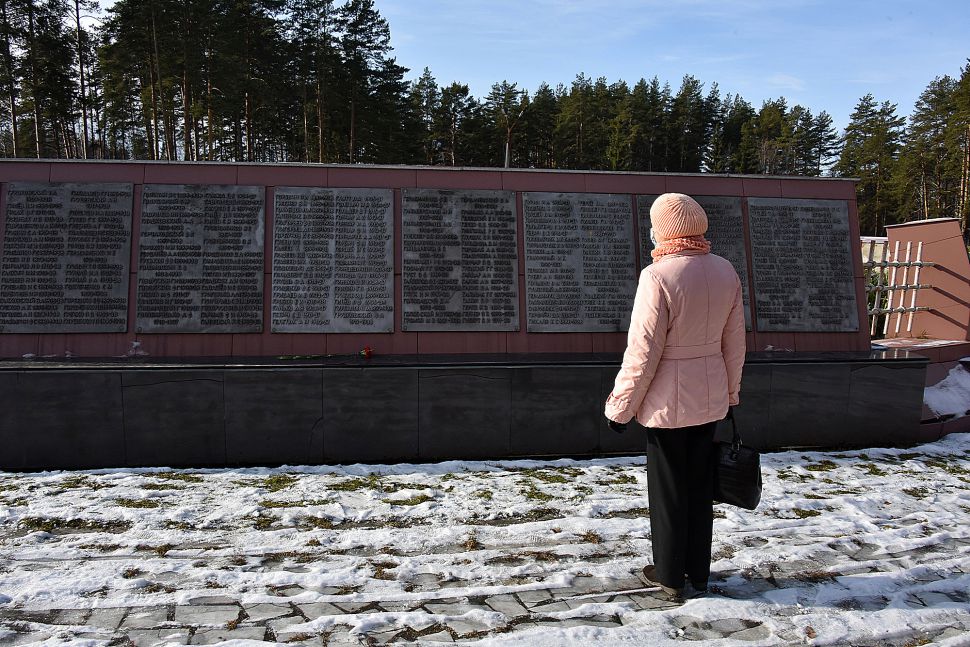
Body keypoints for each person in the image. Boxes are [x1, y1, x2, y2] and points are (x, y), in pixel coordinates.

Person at [604, 192, 746, 599]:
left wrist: (620, 408)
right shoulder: (725, 270)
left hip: (666, 403)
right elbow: (735, 343)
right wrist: (730, 393)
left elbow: (643, 351)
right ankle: (698, 572)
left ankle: (668, 575)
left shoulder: (658, 276)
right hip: (710, 396)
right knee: (700, 489)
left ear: (664, 230)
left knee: (668, 492)